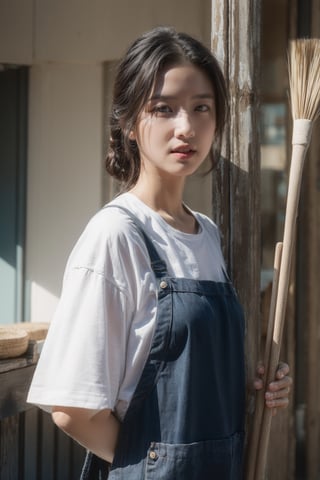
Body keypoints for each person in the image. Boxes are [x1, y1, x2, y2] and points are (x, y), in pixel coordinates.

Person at [27, 26, 292, 479]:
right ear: (129, 123)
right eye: (163, 109)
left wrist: (257, 390)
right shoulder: (115, 235)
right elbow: (73, 407)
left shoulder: (205, 234)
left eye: (201, 108)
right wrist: (160, 466)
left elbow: (191, 383)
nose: (185, 127)